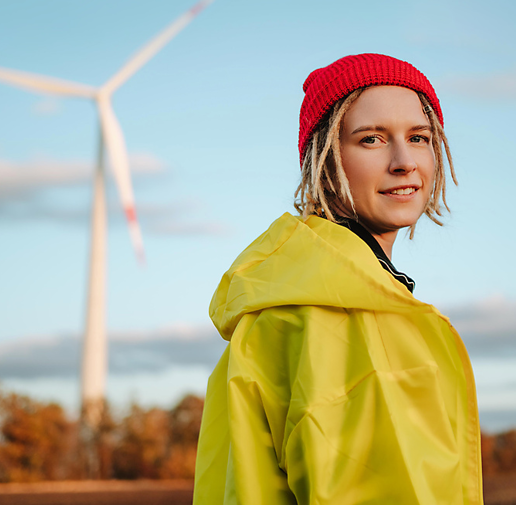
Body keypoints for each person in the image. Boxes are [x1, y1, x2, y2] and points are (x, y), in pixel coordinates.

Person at [193, 53, 482, 504]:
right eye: (371, 139)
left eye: (419, 137)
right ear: (322, 159)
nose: (404, 161)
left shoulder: (277, 302)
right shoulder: (347, 316)